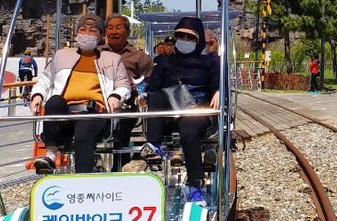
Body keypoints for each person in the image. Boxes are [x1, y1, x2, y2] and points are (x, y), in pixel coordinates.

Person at [29, 15, 131, 174]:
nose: (87, 34)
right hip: (66, 111)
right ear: (77, 33)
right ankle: (50, 155)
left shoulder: (112, 59)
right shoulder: (62, 55)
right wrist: (37, 95)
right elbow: (45, 79)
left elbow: (123, 85)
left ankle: (82, 177)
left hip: (94, 112)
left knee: (83, 132)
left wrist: (115, 96)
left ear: (100, 36)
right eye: (83, 30)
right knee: (54, 102)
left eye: (92, 31)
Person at [144, 16, 220, 204]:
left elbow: (217, 84)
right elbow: (152, 87)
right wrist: (144, 96)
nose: (185, 41)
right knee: (158, 96)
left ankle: (195, 184)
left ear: (198, 40)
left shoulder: (210, 61)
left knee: (188, 132)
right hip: (169, 107)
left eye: (190, 38)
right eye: (181, 36)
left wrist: (218, 91)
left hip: (196, 107)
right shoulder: (165, 62)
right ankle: (154, 146)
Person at [103, 13, 153, 156]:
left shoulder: (139, 57)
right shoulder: (97, 53)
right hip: (99, 101)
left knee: (123, 123)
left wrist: (137, 88)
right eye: (110, 28)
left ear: (127, 32)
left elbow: (150, 82)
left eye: (118, 28)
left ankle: (121, 161)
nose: (114, 32)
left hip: (127, 103)